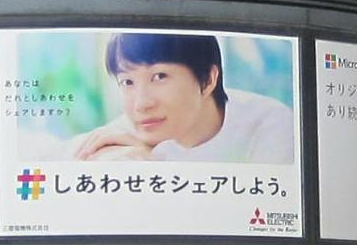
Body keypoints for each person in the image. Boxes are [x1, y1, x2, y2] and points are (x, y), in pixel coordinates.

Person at [71, 32, 295, 164]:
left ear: (208, 79)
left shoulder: (269, 124)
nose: (142, 104)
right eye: (127, 82)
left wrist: (155, 173)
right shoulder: (126, 135)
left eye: (159, 76)